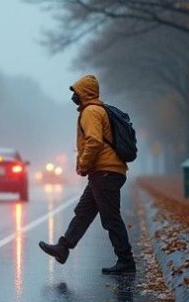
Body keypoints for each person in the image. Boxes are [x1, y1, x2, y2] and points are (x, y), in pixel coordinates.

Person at [38, 75, 135, 274]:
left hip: (105, 172)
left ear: (84, 92)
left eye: (76, 92)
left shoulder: (91, 111)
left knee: (111, 218)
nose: (73, 95)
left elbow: (94, 141)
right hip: (104, 172)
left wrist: (83, 164)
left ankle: (126, 261)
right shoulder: (96, 110)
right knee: (83, 212)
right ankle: (63, 248)